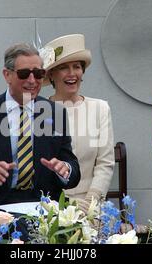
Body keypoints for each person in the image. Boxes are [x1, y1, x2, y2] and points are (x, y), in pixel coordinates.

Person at [0, 43, 81, 221]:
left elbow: (72, 167)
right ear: (7, 75)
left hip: (43, 206)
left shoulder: (55, 113)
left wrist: (65, 169)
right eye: (24, 74)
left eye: (38, 74)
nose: (32, 80)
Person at [41, 34, 115, 212]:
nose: (72, 73)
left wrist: (90, 201)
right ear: (51, 74)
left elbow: (105, 163)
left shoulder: (100, 108)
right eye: (64, 68)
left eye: (77, 67)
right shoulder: (39, 111)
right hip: (49, 205)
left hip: (91, 205)